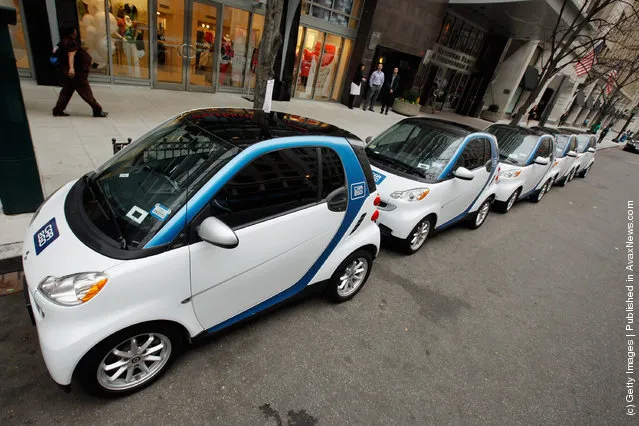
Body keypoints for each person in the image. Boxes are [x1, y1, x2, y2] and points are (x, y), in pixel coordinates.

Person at [52, 25, 108, 117]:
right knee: (86, 93)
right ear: (72, 32)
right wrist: (71, 69)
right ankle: (97, 110)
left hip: (67, 72)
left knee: (66, 92)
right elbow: (71, 55)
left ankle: (58, 110)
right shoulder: (71, 43)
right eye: (74, 31)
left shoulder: (62, 42)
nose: (76, 32)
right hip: (77, 74)